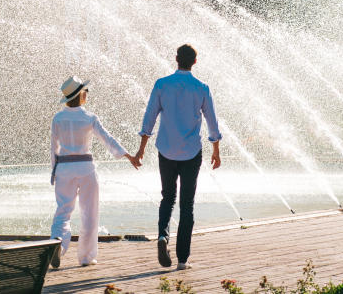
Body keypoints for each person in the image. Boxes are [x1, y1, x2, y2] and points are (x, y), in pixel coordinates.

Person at [135, 44, 222, 271]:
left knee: (167, 198)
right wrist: (216, 150)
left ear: (176, 59)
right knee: (187, 204)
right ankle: (182, 260)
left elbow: (149, 117)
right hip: (191, 152)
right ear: (195, 61)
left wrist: (141, 148)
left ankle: (163, 235)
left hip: (166, 150)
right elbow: (212, 122)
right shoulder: (201, 87)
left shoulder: (162, 84)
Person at [49, 76, 139, 268]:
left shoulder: (58, 118)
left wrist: (54, 172)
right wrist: (127, 155)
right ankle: (86, 257)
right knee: (90, 213)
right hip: (86, 167)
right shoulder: (89, 118)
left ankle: (57, 242)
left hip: (64, 167)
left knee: (63, 211)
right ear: (81, 95)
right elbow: (108, 139)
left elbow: (53, 149)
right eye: (85, 91)